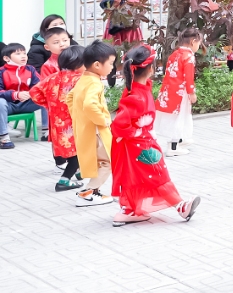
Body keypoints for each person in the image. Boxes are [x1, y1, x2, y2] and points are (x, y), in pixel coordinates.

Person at [107, 45, 201, 227]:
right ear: (151, 69)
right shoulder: (137, 95)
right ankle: (180, 207)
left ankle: (129, 209)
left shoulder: (135, 90)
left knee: (137, 176)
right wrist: (136, 133)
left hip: (138, 142)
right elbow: (118, 124)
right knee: (157, 174)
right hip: (141, 143)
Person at [67, 41, 116, 207]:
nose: (112, 67)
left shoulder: (84, 78)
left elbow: (70, 97)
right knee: (107, 162)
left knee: (100, 162)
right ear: (97, 65)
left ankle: (92, 192)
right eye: (110, 63)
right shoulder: (95, 83)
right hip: (97, 130)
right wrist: (103, 120)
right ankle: (88, 193)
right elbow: (89, 105)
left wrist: (78, 117)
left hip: (86, 129)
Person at [31, 40, 83, 189]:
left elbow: (34, 92)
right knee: (78, 152)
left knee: (70, 151)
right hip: (73, 123)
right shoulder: (80, 79)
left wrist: (48, 104)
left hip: (56, 123)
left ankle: (79, 172)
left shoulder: (53, 77)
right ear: (78, 63)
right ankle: (64, 181)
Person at [0, 43, 40, 150]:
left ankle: (47, 132)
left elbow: (39, 85)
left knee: (48, 97)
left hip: (25, 104)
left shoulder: (30, 69)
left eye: (24, 53)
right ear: (6, 58)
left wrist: (30, 93)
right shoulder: (1, 72)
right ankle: (4, 138)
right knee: (0, 102)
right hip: (8, 106)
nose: (23, 56)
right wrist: (15, 95)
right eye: (18, 54)